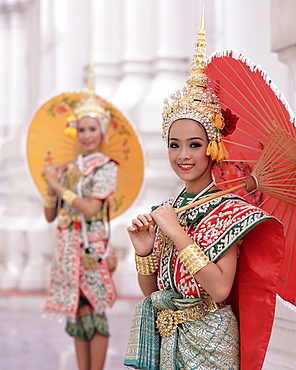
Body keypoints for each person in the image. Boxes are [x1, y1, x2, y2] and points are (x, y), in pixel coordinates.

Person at [124, 14, 285, 370]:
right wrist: (144, 253)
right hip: (169, 341)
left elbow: (220, 289)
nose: (183, 155)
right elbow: (154, 293)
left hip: (212, 342)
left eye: (194, 144)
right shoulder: (168, 208)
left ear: (212, 147)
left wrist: (177, 234)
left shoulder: (230, 210)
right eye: (174, 144)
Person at [42, 72, 118, 370]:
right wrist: (51, 187)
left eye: (92, 129)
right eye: (81, 129)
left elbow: (89, 209)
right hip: (67, 245)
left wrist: (60, 187)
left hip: (90, 246)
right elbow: (51, 215)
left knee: (96, 311)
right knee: (78, 311)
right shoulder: (70, 167)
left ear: (102, 132)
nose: (86, 135)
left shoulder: (106, 167)